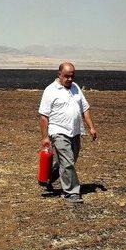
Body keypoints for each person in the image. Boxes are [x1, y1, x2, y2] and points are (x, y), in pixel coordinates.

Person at [38, 62, 97, 204]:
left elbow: (85, 108)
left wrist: (91, 127)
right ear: (59, 75)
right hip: (58, 131)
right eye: (66, 76)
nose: (70, 79)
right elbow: (43, 116)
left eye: (72, 76)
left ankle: (48, 178)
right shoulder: (50, 90)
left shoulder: (76, 88)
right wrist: (45, 137)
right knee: (68, 162)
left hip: (75, 131)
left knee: (67, 161)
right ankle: (71, 193)